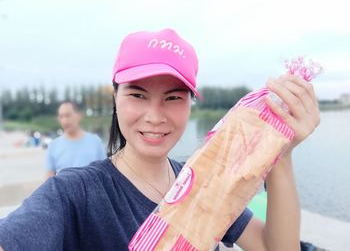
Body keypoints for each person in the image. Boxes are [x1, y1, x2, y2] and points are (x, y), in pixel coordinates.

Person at [0, 28, 320, 251]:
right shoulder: (73, 193)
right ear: (115, 97)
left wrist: (280, 151)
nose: (155, 116)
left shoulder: (207, 185)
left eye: (173, 97)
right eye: (138, 94)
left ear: (190, 102)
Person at [46, 100, 106, 177]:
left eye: (68, 115)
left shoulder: (96, 142)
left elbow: (104, 172)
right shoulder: (53, 145)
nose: (64, 120)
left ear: (78, 116)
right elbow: (49, 180)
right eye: (61, 117)